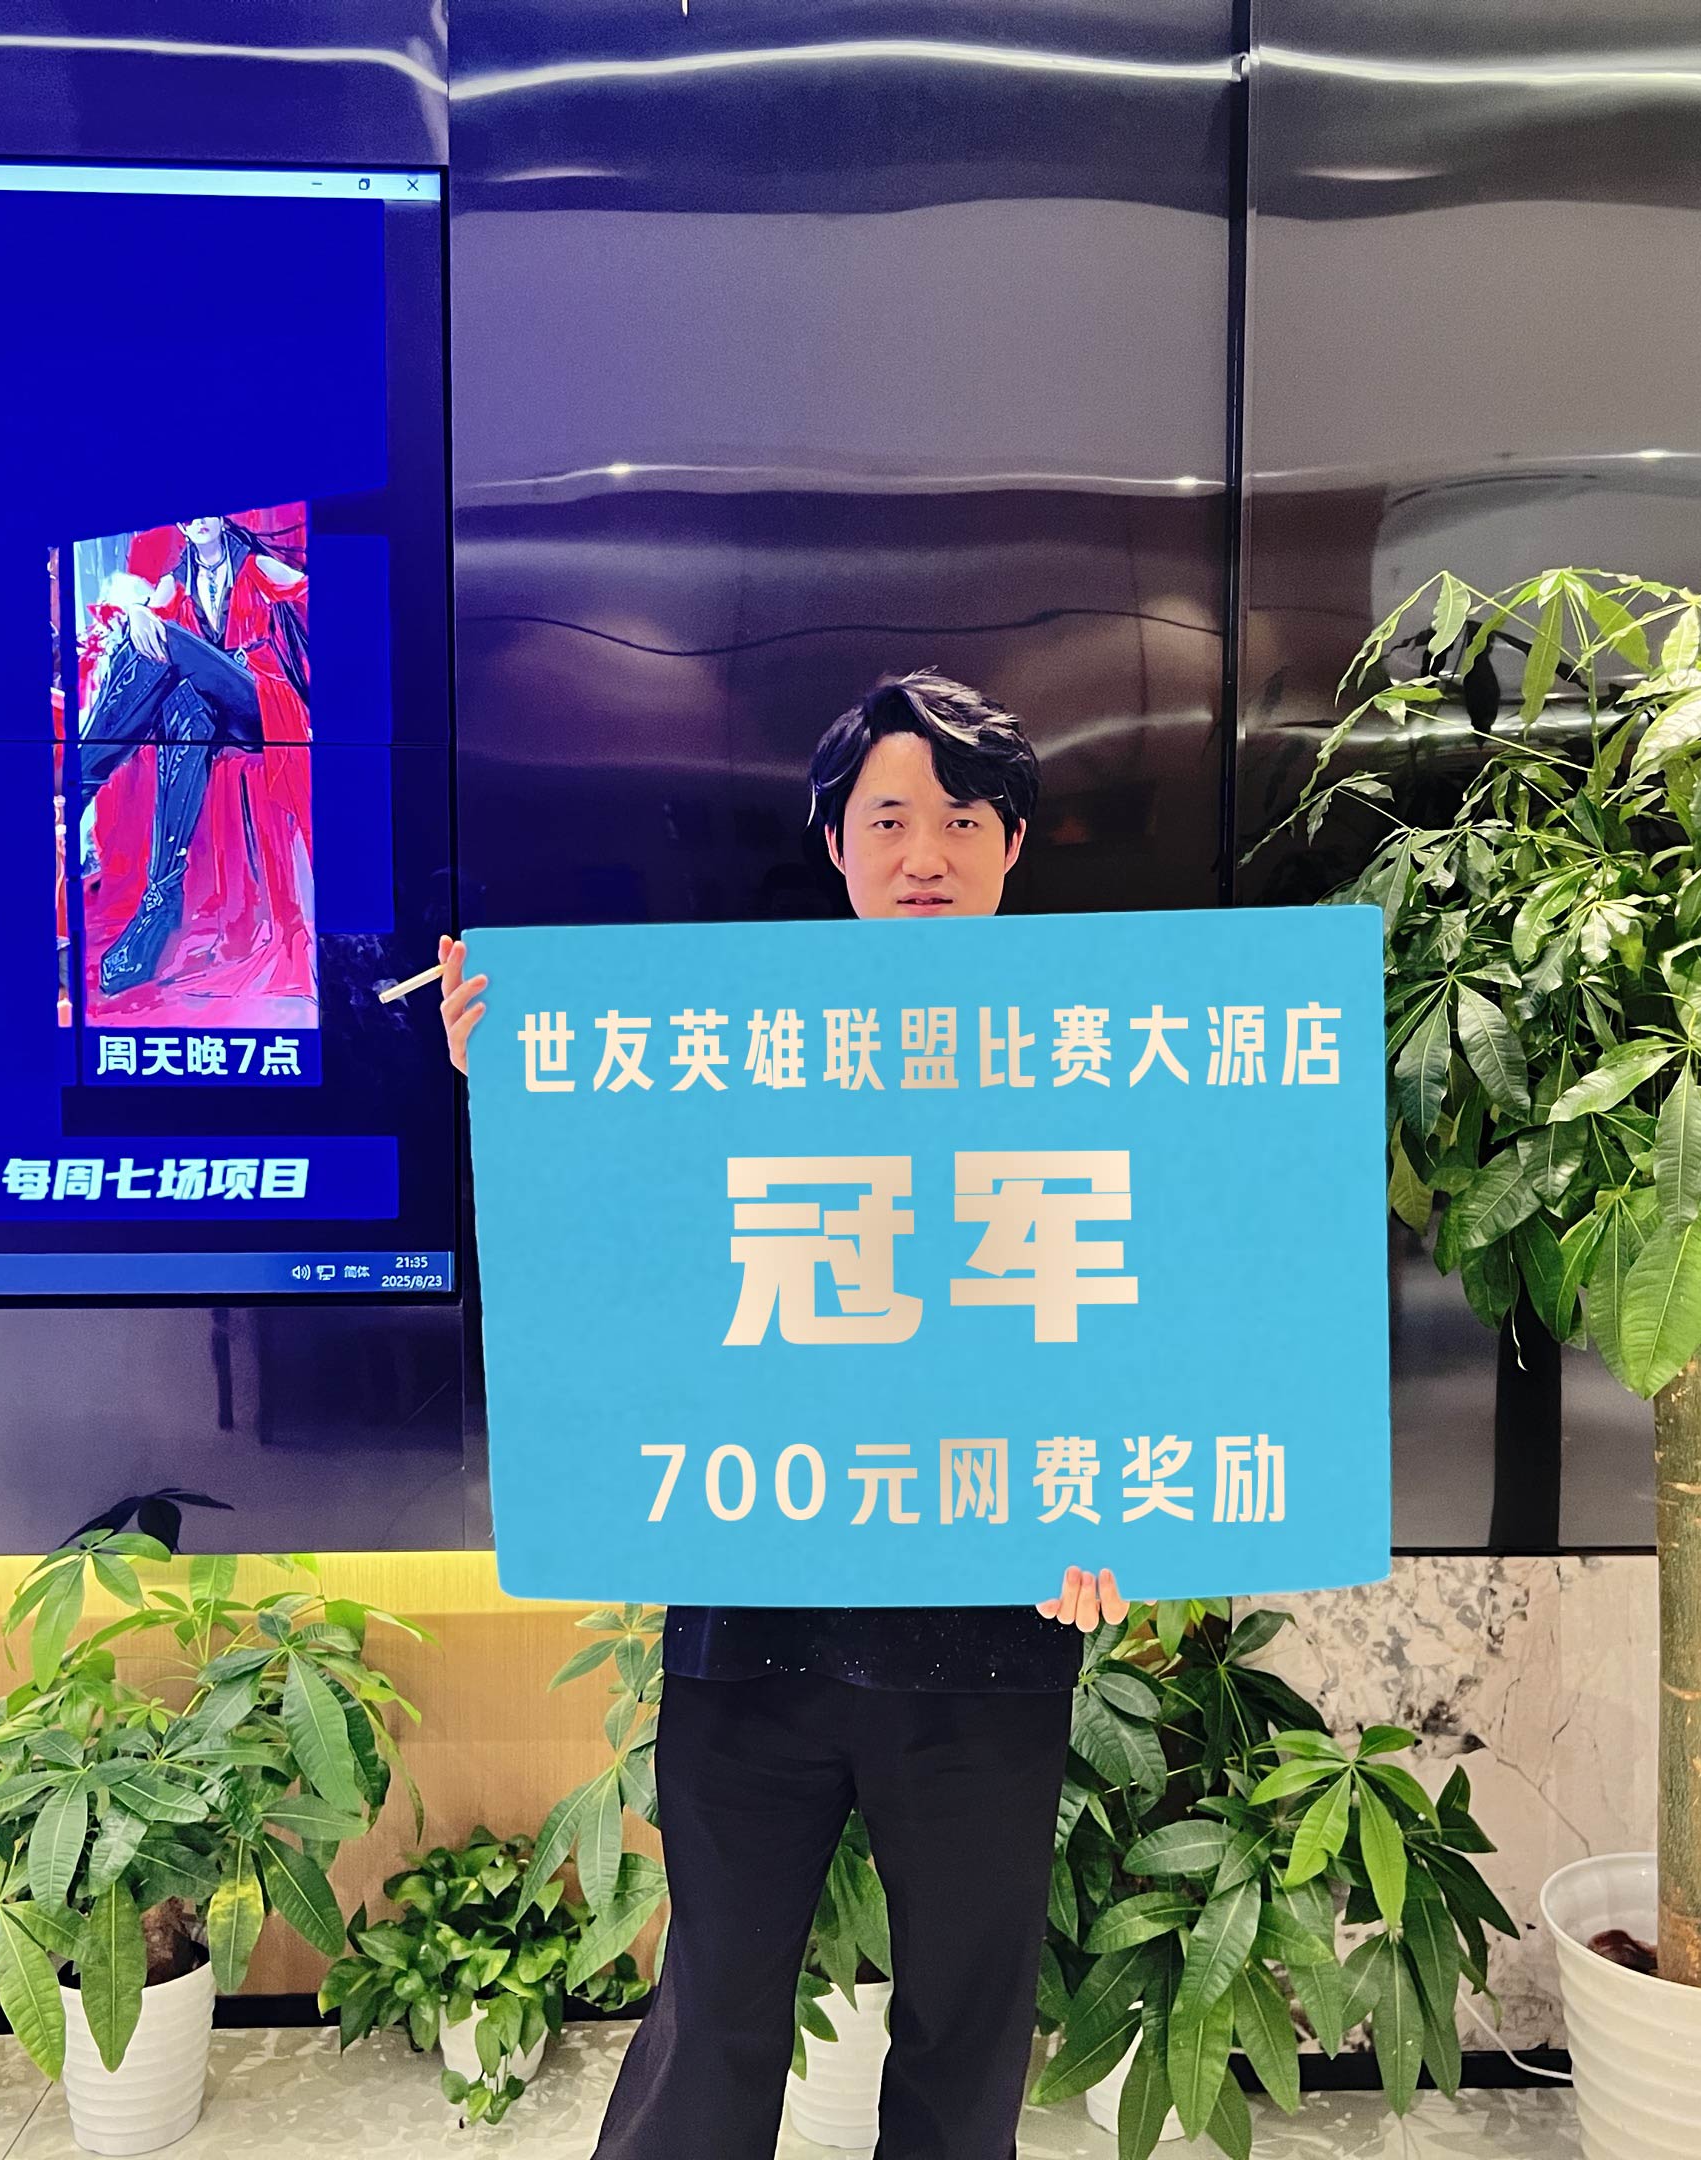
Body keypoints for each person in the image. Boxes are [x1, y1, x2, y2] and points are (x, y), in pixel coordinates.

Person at [436, 671, 1122, 2160]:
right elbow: (620, 1264)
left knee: (967, 2030)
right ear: (835, 845)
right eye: (889, 819)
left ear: (1014, 844)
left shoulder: (1108, 1060)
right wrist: (515, 1086)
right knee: (715, 2016)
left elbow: (1161, 1323)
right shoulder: (730, 1051)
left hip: (991, 1636)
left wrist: (1123, 1512)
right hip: (755, 1620)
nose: (924, 853)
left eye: (962, 820)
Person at [78, 513, 313, 998]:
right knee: (187, 714)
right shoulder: (177, 579)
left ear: (223, 518)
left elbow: (318, 598)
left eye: (207, 512)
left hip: (262, 704)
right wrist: (138, 611)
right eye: (188, 516)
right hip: (213, 713)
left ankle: (77, 782)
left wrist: (145, 617)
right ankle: (158, 907)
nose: (198, 520)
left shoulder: (256, 566)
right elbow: (142, 629)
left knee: (162, 642)